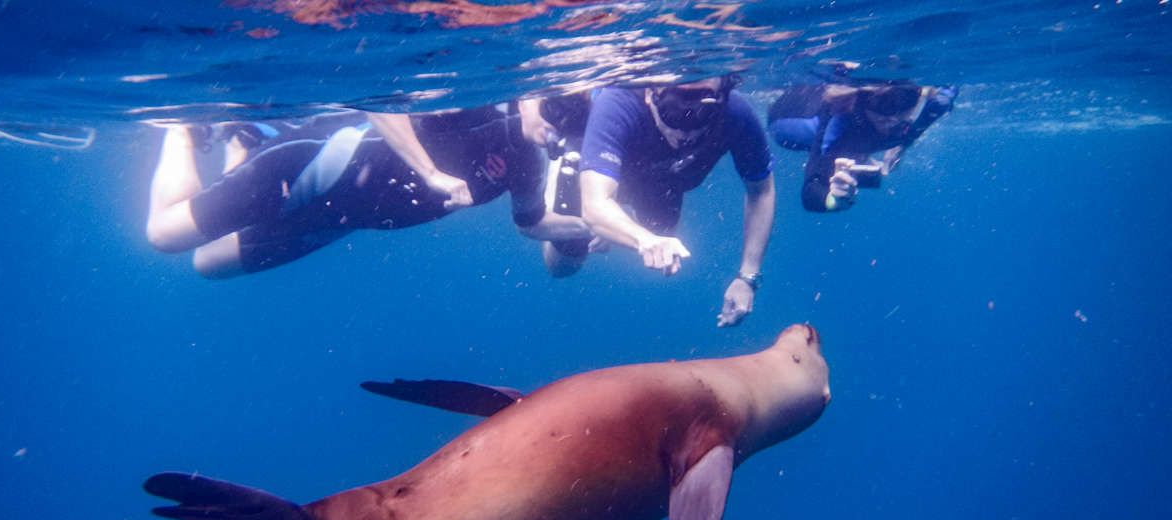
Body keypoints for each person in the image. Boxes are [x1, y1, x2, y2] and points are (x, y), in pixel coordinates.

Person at [146, 105, 592, 278]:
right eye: (554, 111)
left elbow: (532, 225)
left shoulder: (528, 162)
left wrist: (593, 223)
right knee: (165, 236)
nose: (555, 127)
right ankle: (182, 129)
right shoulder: (478, 102)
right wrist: (430, 172)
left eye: (569, 122)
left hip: (338, 218)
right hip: (312, 167)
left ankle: (244, 137)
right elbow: (382, 100)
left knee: (209, 264)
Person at [543, 76, 777, 328]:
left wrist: (747, 277)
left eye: (703, 114)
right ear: (648, 94)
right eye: (673, 112)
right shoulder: (617, 104)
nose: (685, 132)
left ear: (722, 98)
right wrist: (642, 239)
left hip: (663, 179)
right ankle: (566, 168)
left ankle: (615, 222)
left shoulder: (736, 114)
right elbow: (595, 203)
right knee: (563, 264)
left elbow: (761, 192)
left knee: (663, 237)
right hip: (603, 170)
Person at [767, 79, 957, 212]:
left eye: (907, 99)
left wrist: (901, 147)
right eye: (882, 103)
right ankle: (856, 153)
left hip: (859, 135)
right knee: (847, 146)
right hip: (784, 122)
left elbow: (949, 88)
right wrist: (835, 199)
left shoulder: (933, 105)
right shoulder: (839, 121)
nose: (892, 116)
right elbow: (810, 192)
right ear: (863, 99)